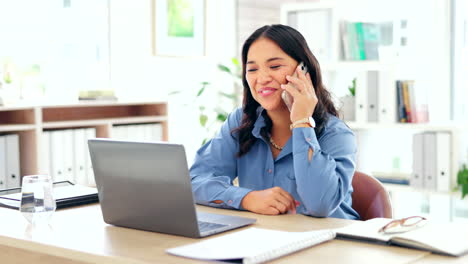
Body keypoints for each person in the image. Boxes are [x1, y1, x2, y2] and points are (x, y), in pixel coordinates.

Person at [190, 24, 360, 220]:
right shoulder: (242, 121)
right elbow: (195, 181)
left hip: (334, 244)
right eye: (252, 69)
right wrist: (247, 198)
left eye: (275, 66)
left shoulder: (336, 134)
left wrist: (302, 121)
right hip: (268, 240)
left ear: (303, 71)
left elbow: (320, 205)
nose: (261, 78)